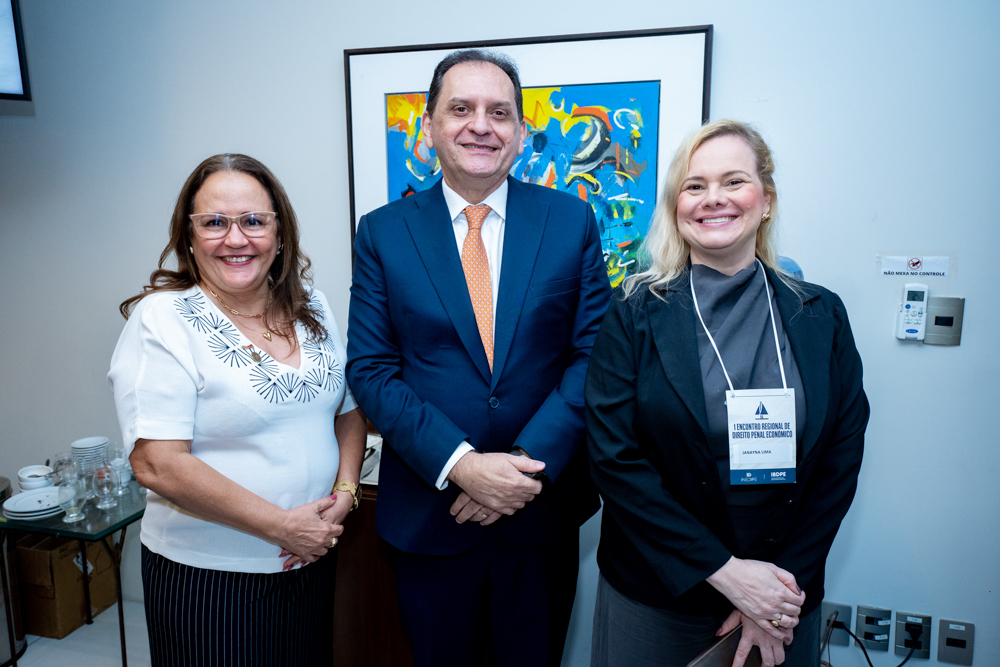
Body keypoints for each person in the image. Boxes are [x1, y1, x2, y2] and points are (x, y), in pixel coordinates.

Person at [347, 49, 612, 667]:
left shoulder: (570, 221)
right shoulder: (382, 232)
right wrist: (462, 465)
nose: (480, 125)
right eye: (460, 109)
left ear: (521, 132)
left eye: (499, 112)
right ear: (430, 124)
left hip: (538, 513)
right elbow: (372, 369)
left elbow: (593, 356)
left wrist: (519, 469)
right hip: (432, 514)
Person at [585, 120, 869, 667]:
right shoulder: (632, 317)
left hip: (785, 594)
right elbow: (614, 461)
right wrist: (727, 574)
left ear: (766, 201)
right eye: (694, 186)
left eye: (733, 181)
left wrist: (777, 592)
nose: (712, 198)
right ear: (676, 207)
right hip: (658, 596)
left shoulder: (822, 314)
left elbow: (841, 457)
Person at [108, 154, 366, 666]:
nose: (235, 239)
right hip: (211, 576)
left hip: (309, 556)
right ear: (188, 235)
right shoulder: (163, 319)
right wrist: (279, 526)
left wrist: (345, 491)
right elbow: (157, 462)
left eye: (252, 221)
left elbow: (348, 409)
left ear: (279, 230)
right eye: (214, 223)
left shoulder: (310, 305)